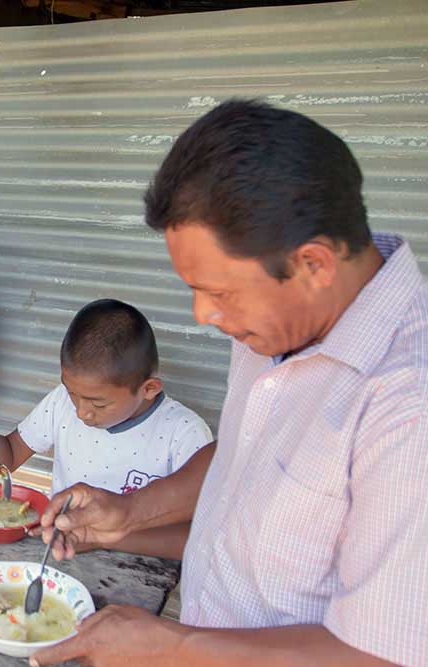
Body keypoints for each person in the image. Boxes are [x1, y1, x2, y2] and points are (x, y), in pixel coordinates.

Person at [31, 99, 427, 667]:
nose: (202, 315)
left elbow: (387, 654)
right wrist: (130, 513)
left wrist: (172, 647)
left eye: (219, 292)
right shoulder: (273, 323)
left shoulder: (408, 406)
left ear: (314, 264)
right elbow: (244, 454)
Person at [0, 299, 211, 558]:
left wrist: (102, 539)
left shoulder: (185, 434)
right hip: (61, 554)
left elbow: (199, 538)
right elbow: (7, 458)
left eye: (98, 404)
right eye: (72, 394)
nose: (81, 412)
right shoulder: (59, 402)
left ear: (148, 389)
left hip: (144, 571)